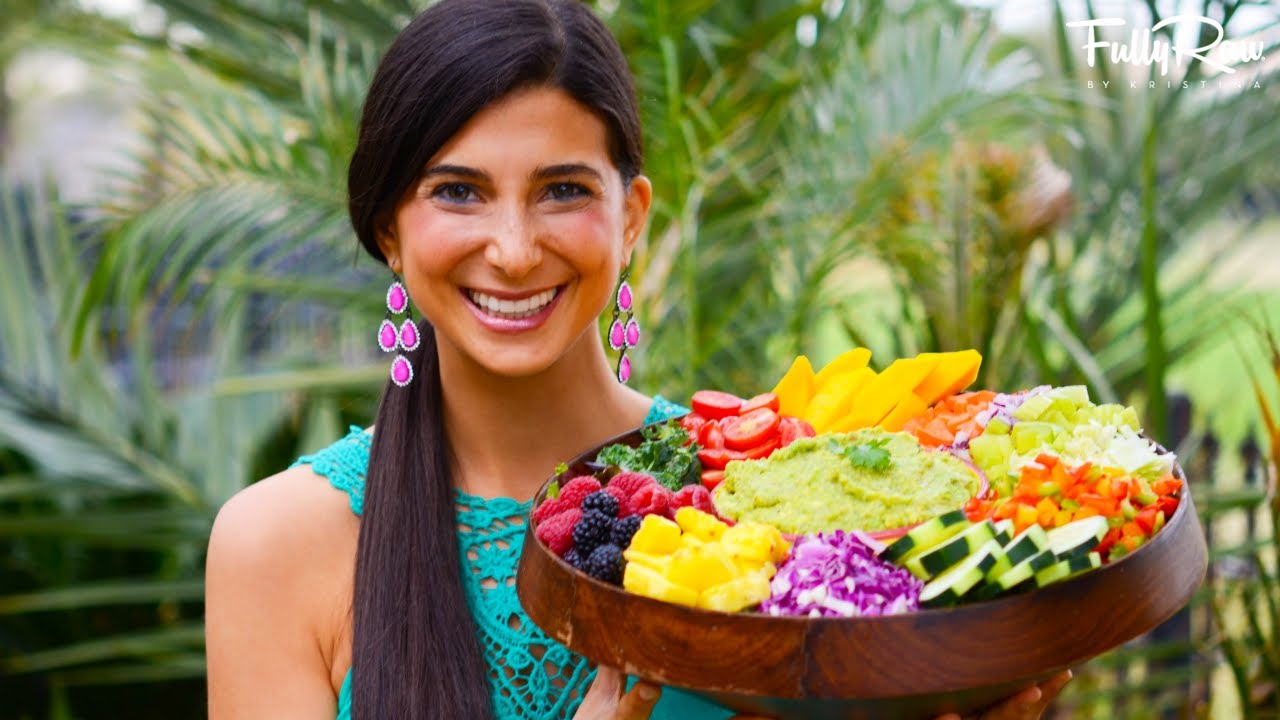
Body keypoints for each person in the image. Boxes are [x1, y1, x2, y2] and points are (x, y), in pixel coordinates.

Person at [204, 1, 1072, 718]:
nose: (511, 249)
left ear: (631, 217)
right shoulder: (275, 548)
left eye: (564, 191)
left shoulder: (761, 494)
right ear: (389, 229)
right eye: (458, 191)